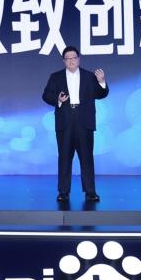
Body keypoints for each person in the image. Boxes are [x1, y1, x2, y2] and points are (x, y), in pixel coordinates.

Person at [41, 46, 108, 202]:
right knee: (64, 157)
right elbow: (46, 95)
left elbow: (101, 94)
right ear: (64, 61)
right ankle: (63, 192)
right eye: (68, 58)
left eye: (74, 57)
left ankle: (90, 191)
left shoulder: (89, 76)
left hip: (84, 120)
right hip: (65, 120)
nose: (71, 60)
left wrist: (101, 82)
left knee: (86, 157)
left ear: (79, 59)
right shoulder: (55, 77)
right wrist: (58, 99)